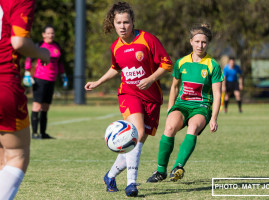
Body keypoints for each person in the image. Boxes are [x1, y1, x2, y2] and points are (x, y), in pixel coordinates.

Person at [84, 2, 172, 197]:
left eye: (126, 22)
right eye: (118, 22)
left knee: (136, 142)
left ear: (133, 22)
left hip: (152, 98)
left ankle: (110, 175)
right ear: (113, 23)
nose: (122, 26)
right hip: (128, 94)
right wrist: (98, 82)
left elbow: (167, 64)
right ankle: (132, 184)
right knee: (136, 132)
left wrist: (150, 79)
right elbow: (116, 68)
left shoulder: (147, 39)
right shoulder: (115, 46)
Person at [146, 23, 224, 183]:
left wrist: (214, 118)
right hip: (182, 105)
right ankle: (160, 171)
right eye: (197, 42)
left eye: (204, 42)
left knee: (193, 128)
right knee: (169, 128)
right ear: (191, 42)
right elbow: (174, 87)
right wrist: (170, 109)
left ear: (207, 43)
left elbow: (217, 94)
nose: (200, 45)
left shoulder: (213, 65)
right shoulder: (181, 63)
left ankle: (178, 167)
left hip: (201, 107)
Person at [0, 0, 50, 199]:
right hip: (3, 81)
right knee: (16, 154)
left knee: (3, 157)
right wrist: (42, 53)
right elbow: (19, 42)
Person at [23, 25, 68, 139]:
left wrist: (63, 75)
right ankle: (34, 133)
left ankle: (43, 133)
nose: (50, 35)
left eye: (52, 33)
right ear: (43, 34)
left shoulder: (56, 46)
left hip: (52, 79)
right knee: (37, 106)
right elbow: (29, 58)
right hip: (40, 79)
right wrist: (27, 72)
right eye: (48, 33)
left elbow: (60, 63)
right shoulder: (39, 46)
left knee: (46, 107)